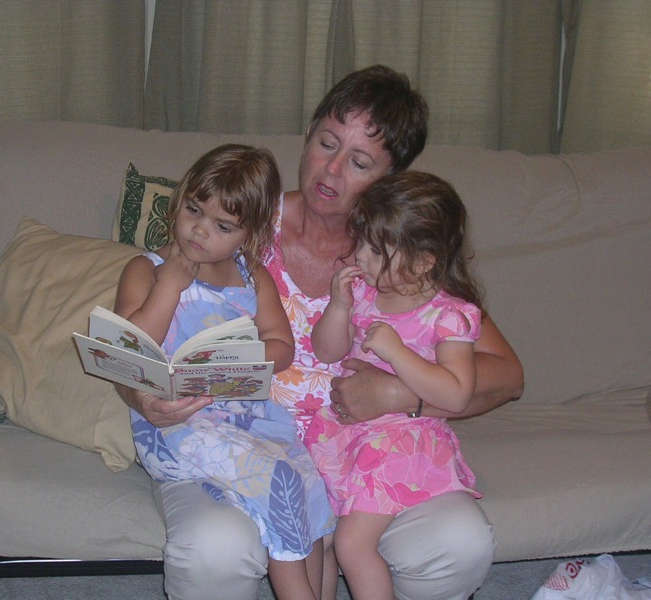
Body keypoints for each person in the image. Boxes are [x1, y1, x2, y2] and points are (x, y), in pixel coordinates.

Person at [118, 65, 524, 600]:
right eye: (326, 143)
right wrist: (143, 396)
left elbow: (507, 375)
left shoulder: (396, 260)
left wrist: (401, 394)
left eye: (359, 162)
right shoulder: (240, 227)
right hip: (248, 438)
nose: (330, 170)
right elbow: (141, 333)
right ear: (307, 134)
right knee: (214, 549)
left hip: (367, 451)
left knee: (459, 541)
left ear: (391, 177)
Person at [114, 144, 335, 600]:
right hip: (179, 424)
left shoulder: (252, 276)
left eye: (222, 226)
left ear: (248, 234)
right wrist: (170, 287)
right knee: (281, 483)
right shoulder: (145, 269)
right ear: (178, 201)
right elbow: (130, 349)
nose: (199, 230)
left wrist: (240, 359)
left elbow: (281, 345)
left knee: (314, 490)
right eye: (194, 209)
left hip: (252, 420)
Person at [305, 170, 485, 600]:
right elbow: (328, 352)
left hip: (401, 444)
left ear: (423, 260)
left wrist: (396, 352)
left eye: (375, 250)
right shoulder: (367, 293)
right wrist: (339, 307)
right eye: (362, 243)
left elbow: (457, 393)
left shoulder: (449, 315)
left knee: (352, 543)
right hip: (347, 436)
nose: (360, 258)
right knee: (319, 534)